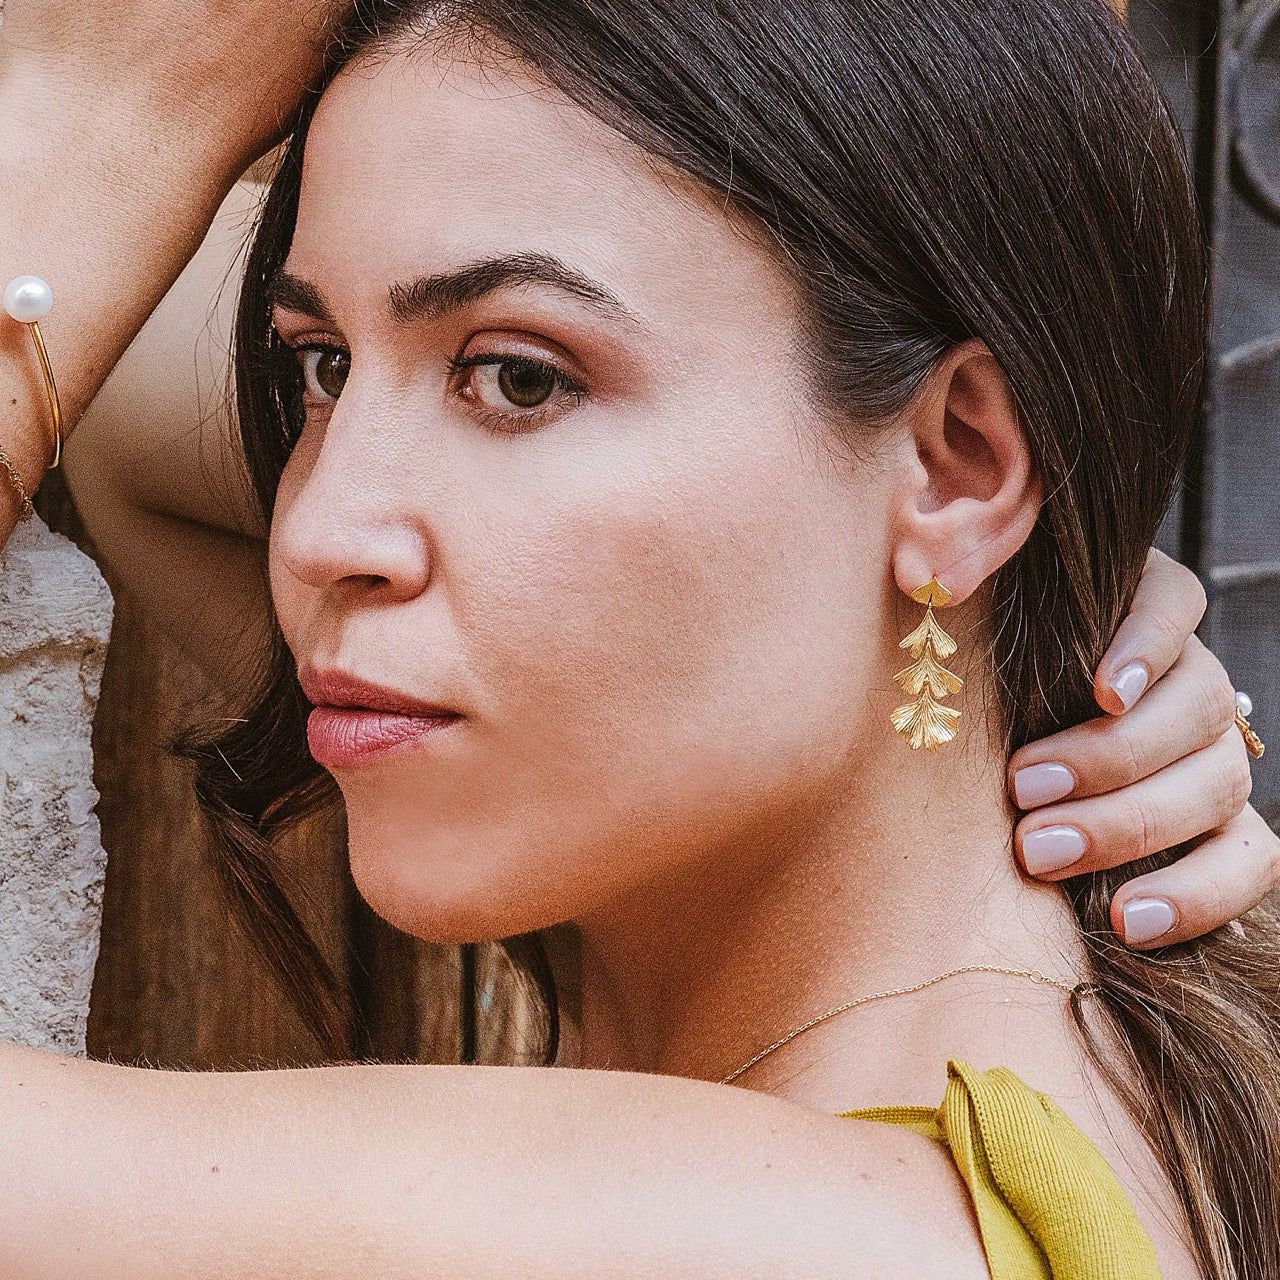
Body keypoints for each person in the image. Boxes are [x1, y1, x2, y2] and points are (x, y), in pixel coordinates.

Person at [0, 0, 1277, 1275]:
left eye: (518, 378)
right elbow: (117, 406)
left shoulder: (790, 1238)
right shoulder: (1060, 1092)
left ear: (959, 462)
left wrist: (108, 118)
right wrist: (1034, 583)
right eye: (321, 368)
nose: (316, 528)